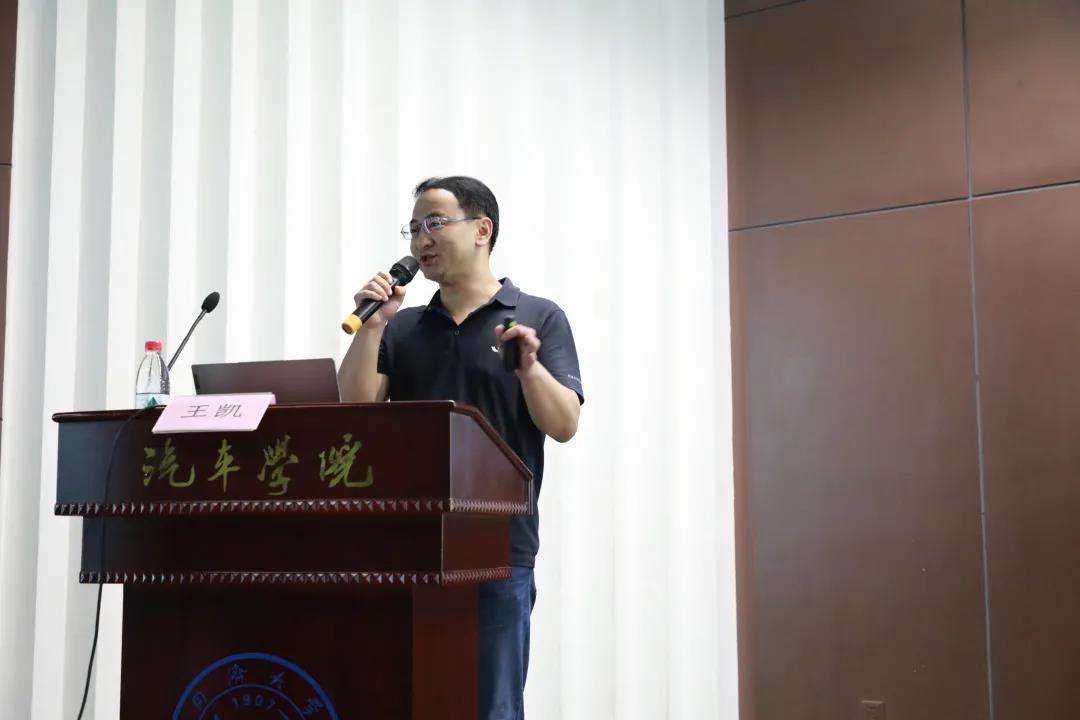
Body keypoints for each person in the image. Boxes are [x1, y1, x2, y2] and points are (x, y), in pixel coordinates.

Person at [338, 176, 584, 719]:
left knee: (489, 706)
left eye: (434, 223)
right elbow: (356, 410)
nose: (420, 239)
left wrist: (528, 368)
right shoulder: (402, 327)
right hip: (409, 545)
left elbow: (564, 423)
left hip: (498, 549)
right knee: (404, 700)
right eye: (413, 228)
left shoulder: (536, 316)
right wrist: (372, 328)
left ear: (482, 229)